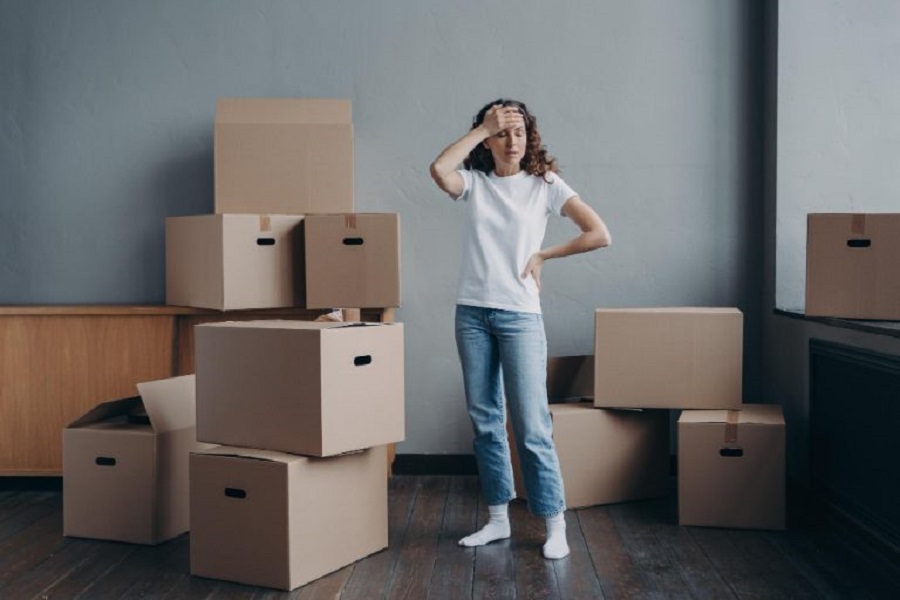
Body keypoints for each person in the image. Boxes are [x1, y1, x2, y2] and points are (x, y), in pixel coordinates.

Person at [429, 99, 611, 559]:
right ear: (487, 138)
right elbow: (438, 168)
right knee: (486, 421)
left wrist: (545, 255)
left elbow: (599, 233)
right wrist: (480, 128)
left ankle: (555, 525)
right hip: (471, 314)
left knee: (531, 426)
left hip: (519, 317)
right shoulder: (473, 183)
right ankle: (497, 521)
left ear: (530, 138)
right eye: (501, 132)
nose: (512, 141)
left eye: (519, 132)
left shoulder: (545, 185)